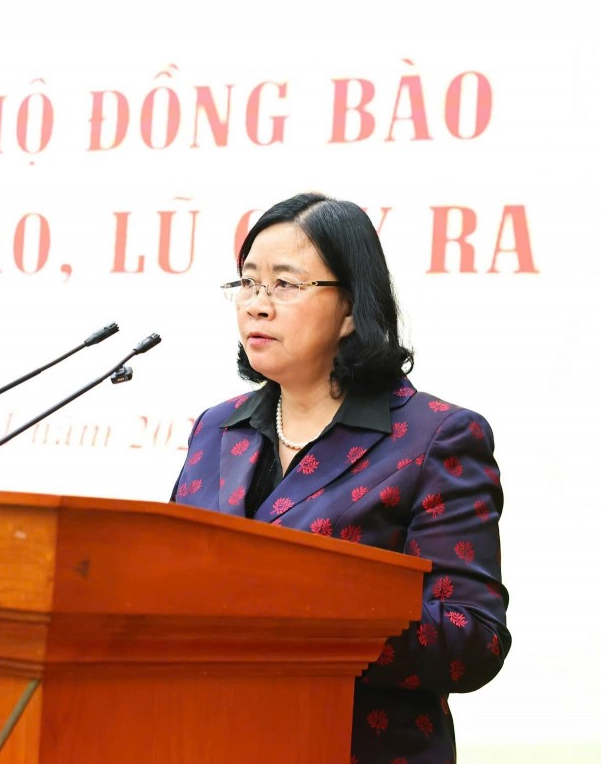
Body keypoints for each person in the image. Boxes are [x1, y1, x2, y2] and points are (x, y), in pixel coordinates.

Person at [171, 193, 510, 763]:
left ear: (351, 308)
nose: (257, 304)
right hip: (212, 740)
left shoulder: (435, 437)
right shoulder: (216, 429)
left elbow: (473, 640)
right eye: (248, 283)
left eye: (285, 284)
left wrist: (307, 615)